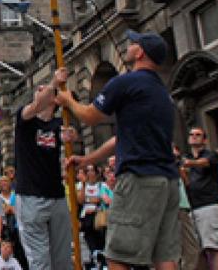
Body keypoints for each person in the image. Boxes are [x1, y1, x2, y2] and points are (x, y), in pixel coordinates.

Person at [57, 30, 180, 270]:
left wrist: (68, 100)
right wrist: (88, 159)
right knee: (164, 257)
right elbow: (120, 139)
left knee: (118, 256)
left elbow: (90, 116)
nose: (129, 45)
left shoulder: (126, 83)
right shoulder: (161, 91)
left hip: (139, 178)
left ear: (140, 52)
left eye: (134, 43)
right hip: (168, 180)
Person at [11, 78, 71, 270]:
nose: (40, 88)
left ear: (55, 100)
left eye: (44, 88)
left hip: (56, 196)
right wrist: (54, 82)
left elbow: (72, 130)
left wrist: (71, 135)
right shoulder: (25, 119)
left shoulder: (59, 124)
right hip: (31, 198)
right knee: (40, 262)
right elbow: (37, 105)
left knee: (62, 261)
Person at [182, 126, 218, 270]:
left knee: (213, 247)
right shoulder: (186, 157)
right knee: (196, 250)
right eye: (192, 134)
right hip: (191, 207)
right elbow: (186, 182)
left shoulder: (211, 155)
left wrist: (187, 163)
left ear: (205, 140)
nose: (194, 136)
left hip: (209, 205)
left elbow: (205, 162)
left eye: (198, 134)